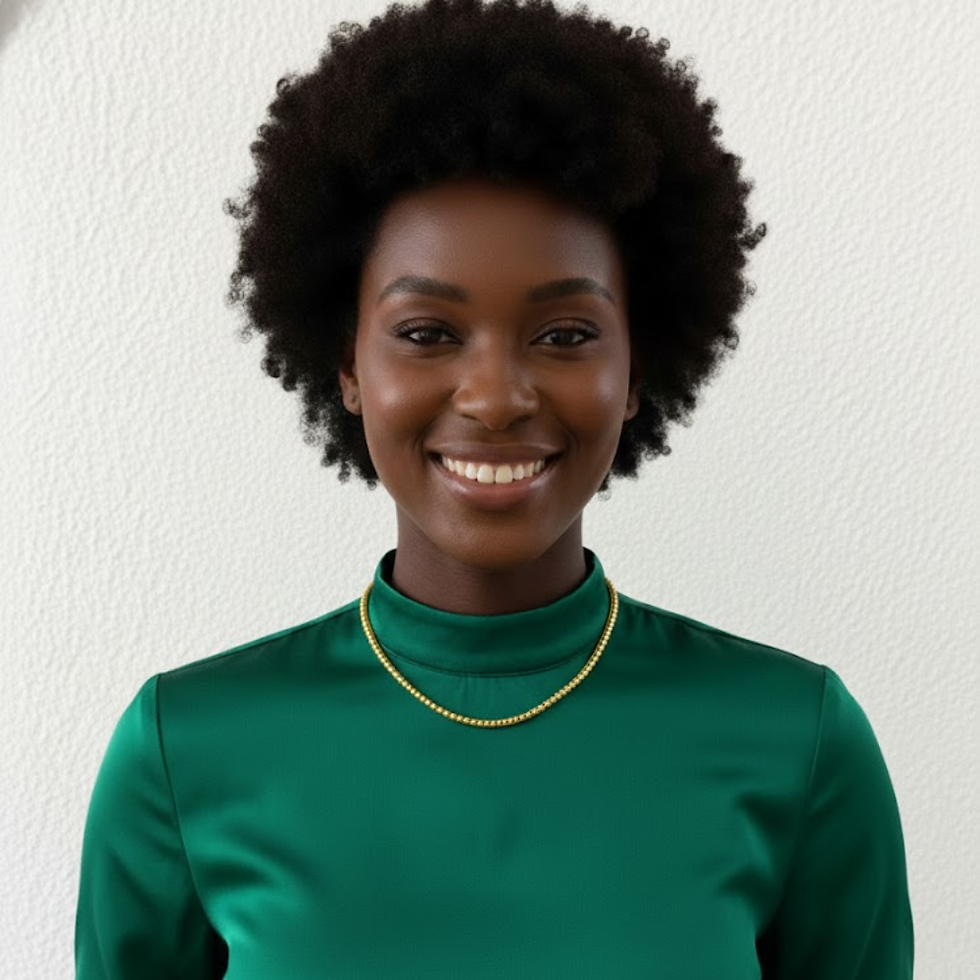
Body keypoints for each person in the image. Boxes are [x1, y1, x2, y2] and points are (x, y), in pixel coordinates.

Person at [73, 1, 914, 977]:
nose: (496, 397)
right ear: (347, 364)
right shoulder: (182, 752)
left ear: (636, 368)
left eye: (564, 335)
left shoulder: (797, 742)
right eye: (427, 333)